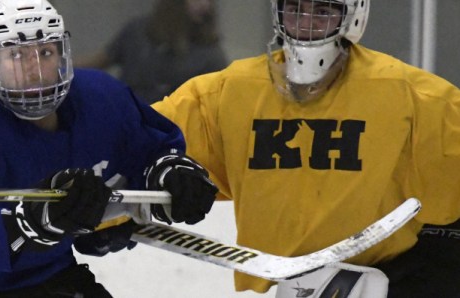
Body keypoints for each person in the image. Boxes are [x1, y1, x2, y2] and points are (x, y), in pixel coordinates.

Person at [0, 1, 217, 297]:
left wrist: (168, 173)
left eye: (45, 52)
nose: (34, 70)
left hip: (49, 276)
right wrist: (29, 222)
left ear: (63, 53)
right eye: (15, 55)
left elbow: (151, 148)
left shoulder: (101, 99)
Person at [151, 0, 460, 297]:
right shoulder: (228, 93)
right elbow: (139, 141)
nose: (306, 24)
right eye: (294, 9)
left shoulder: (411, 98)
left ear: (353, 16)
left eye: (323, 11)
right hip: (294, 286)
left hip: (395, 275)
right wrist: (159, 169)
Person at [75, 0, 228, 104]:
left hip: (168, 131)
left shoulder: (211, 55)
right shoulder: (138, 31)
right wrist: (59, 67)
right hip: (125, 119)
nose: (204, 5)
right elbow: (99, 60)